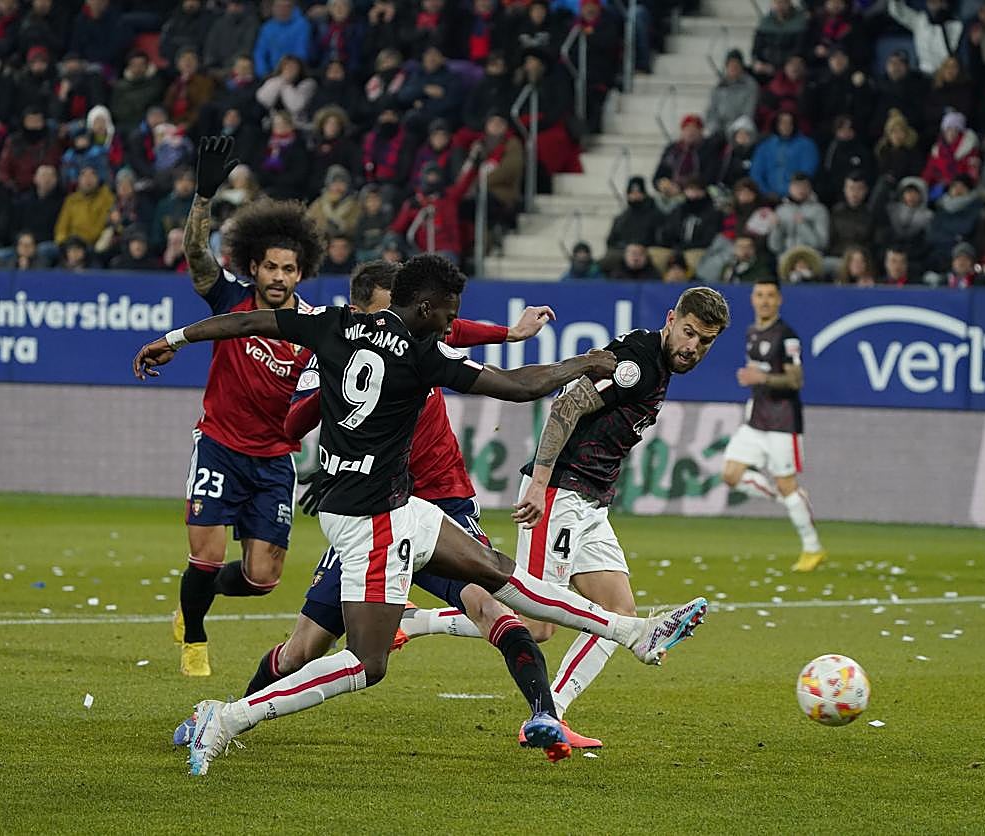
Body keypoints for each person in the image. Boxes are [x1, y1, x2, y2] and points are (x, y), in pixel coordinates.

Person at [136, 248, 713, 775]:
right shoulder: (421, 355)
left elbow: (244, 322)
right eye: (449, 314)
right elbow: (515, 386)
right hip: (372, 522)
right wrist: (583, 365)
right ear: (427, 307)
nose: (451, 324)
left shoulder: (338, 323)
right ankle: (227, 719)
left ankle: (634, 632)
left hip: (392, 504)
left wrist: (177, 338)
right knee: (366, 663)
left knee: (495, 570)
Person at [202, 262, 592, 760]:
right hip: (370, 510)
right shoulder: (336, 349)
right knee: (304, 648)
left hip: (440, 499)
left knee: (492, 604)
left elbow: (459, 333)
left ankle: (544, 715)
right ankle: (231, 714)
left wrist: (510, 333)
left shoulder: (423, 346)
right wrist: (334, 394)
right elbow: (290, 425)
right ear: (365, 313)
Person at [402, 285, 728, 742]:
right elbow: (567, 405)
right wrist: (539, 482)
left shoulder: (656, 360)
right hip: (559, 493)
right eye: (689, 333)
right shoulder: (638, 363)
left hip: (591, 502)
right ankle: (414, 623)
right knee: (534, 624)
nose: (693, 347)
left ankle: (552, 713)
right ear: (671, 319)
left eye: (705, 341)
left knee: (619, 609)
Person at [165, 136, 327, 678]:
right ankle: (193, 632)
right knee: (205, 556)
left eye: (289, 270)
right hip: (218, 445)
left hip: (273, 461)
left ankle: (194, 600)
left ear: (300, 274)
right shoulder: (229, 299)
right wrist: (203, 195)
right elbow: (194, 253)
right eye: (271, 268)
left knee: (262, 578)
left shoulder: (314, 326)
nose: (279, 277)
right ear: (253, 267)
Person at [720, 277, 825, 572]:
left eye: (770, 296)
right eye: (759, 294)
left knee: (787, 484)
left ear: (779, 300)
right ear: (752, 299)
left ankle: (812, 548)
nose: (765, 300)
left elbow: (796, 380)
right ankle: (788, 499)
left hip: (783, 421)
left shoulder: (787, 336)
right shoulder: (752, 332)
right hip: (756, 420)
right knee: (731, 474)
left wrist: (761, 378)